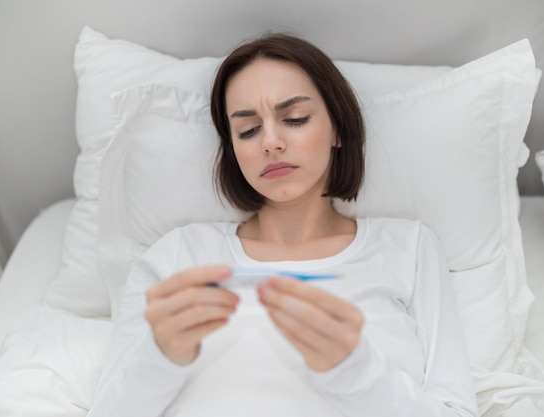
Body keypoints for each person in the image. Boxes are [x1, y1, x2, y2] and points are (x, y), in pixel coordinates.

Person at [88, 34, 479, 417]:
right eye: (248, 130)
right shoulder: (178, 256)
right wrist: (161, 356)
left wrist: (354, 367)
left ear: (338, 129)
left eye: (294, 118)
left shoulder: (407, 249)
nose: (270, 142)